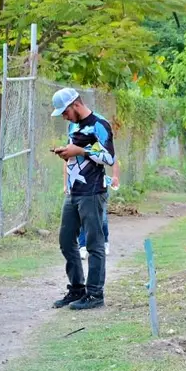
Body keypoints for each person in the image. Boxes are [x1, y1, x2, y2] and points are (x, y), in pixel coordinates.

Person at [51, 87, 114, 311]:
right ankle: (77, 288)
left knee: (94, 243)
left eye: (65, 111)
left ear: (76, 104)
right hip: (74, 191)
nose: (64, 116)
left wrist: (80, 151)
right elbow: (76, 150)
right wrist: (66, 152)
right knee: (66, 240)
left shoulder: (99, 124)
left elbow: (109, 157)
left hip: (93, 192)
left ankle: (95, 293)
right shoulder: (73, 125)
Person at [78, 160, 118, 255]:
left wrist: (115, 177)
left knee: (102, 219)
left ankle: (104, 242)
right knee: (83, 217)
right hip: (83, 186)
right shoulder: (77, 148)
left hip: (99, 187)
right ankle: (83, 246)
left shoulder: (99, 147)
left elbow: (113, 159)